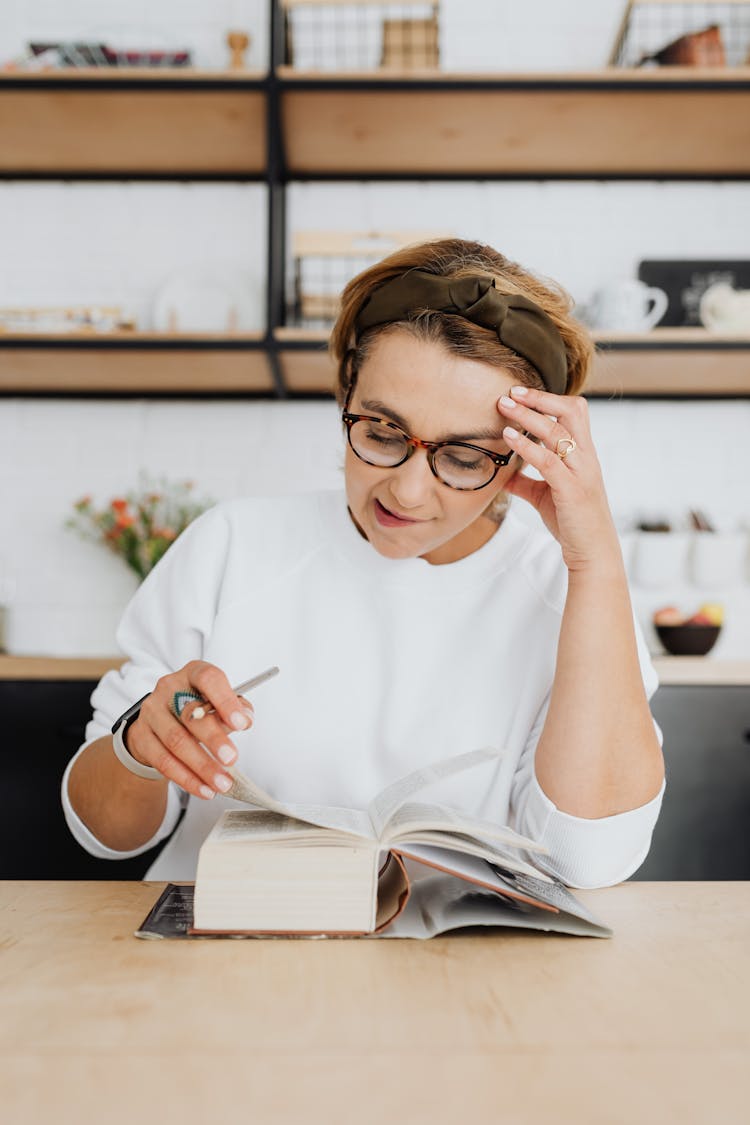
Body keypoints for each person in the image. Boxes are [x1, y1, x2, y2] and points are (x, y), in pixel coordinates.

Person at [63, 238, 666, 887]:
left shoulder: (567, 594)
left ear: (521, 459)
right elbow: (103, 836)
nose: (406, 491)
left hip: (453, 973)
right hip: (221, 953)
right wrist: (139, 747)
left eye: (463, 457)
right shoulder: (232, 544)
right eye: (380, 432)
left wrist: (596, 562)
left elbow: (591, 861)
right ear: (344, 393)